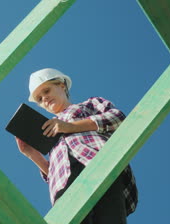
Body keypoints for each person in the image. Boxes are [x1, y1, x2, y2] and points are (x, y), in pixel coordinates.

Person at [16, 68, 138, 224]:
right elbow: (55, 172)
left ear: (62, 86)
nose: (44, 98)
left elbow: (116, 117)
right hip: (64, 184)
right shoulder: (49, 130)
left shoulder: (89, 104)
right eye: (39, 99)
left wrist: (70, 127)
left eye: (46, 91)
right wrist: (32, 154)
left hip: (99, 166)